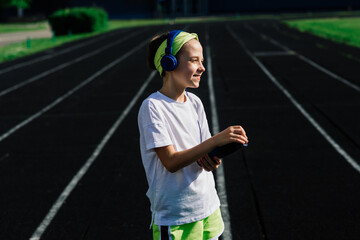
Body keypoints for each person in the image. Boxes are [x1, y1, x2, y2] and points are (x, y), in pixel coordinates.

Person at [138, 30, 248, 240]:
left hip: (208, 206)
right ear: (169, 63)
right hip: (176, 216)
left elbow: (202, 150)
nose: (202, 67)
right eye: (194, 60)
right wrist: (217, 139)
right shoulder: (152, 107)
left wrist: (211, 159)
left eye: (202, 61)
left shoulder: (195, 103)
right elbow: (170, 162)